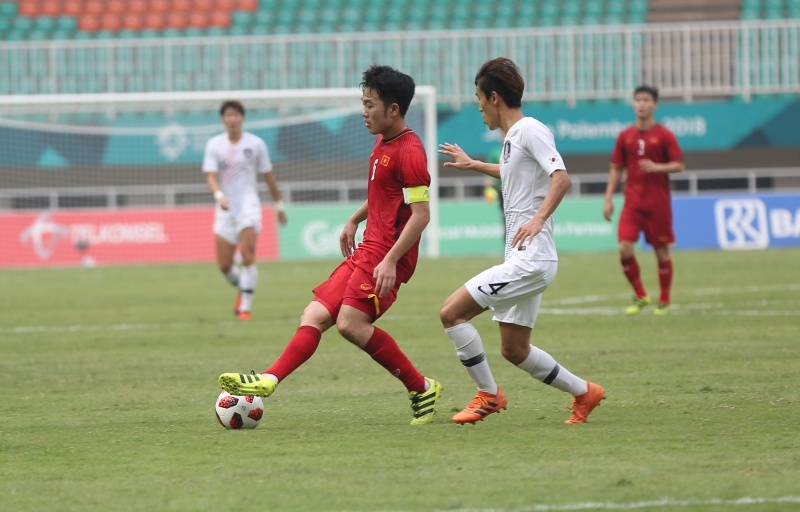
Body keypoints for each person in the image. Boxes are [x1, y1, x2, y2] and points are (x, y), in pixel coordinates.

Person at [218, 65, 443, 425]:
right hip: (369, 248)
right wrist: (356, 218)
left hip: (386, 256)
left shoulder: (411, 152)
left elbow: (420, 215)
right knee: (314, 315)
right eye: (363, 102)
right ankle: (269, 379)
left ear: (394, 109)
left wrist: (390, 260)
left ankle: (420, 387)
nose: (363, 111)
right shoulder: (382, 140)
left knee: (350, 325)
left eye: (370, 104)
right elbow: (385, 194)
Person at [437, 57, 605, 425]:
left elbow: (560, 176)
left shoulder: (529, 129)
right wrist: (476, 165)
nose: (478, 106)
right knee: (514, 349)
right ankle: (584, 392)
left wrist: (538, 218)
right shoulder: (514, 138)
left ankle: (488, 395)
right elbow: (514, 172)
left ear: (494, 97)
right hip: (526, 258)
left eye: (478, 97)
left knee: (452, 313)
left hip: (530, 259)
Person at [603, 85, 685, 316]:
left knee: (661, 253)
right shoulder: (625, 136)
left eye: (646, 100)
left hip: (658, 204)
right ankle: (640, 294)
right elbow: (616, 169)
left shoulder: (665, 135)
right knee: (624, 247)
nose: (641, 104)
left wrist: (658, 167)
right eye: (638, 99)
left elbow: (679, 165)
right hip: (632, 204)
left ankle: (665, 300)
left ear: (655, 105)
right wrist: (608, 198)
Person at [203, 100, 288, 320]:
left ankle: (245, 309)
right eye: (228, 115)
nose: (232, 119)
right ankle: (244, 288)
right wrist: (219, 195)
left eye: (236, 115)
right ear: (223, 119)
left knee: (248, 254)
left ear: (242, 118)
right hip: (225, 208)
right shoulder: (214, 145)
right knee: (224, 265)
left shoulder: (256, 144)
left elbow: (268, 175)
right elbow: (210, 175)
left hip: (249, 206)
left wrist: (279, 205)